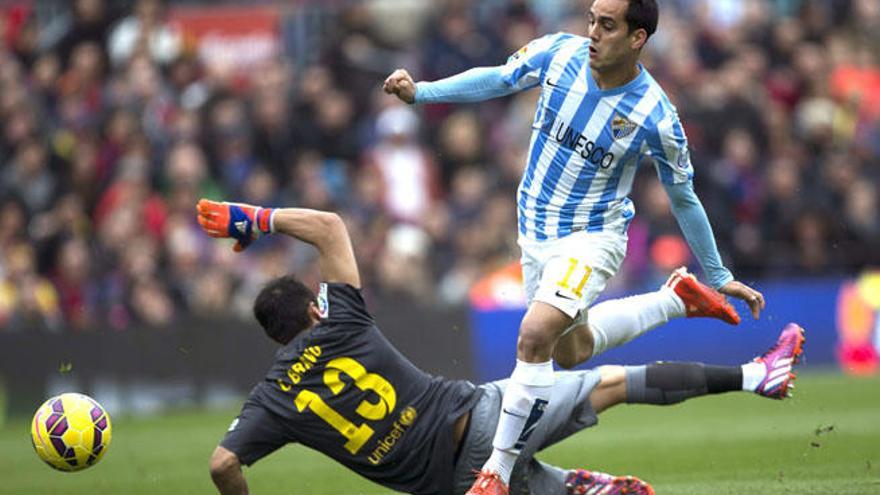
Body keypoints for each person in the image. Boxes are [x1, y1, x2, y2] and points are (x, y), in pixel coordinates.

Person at [383, 1, 767, 492]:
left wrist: (719, 273)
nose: (592, 33)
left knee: (534, 335)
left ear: (637, 38)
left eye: (607, 25)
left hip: (592, 237)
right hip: (535, 234)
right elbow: (500, 78)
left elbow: (683, 197)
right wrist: (422, 93)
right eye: (591, 20)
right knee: (570, 352)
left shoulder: (654, 114)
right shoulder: (558, 55)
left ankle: (495, 472)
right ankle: (676, 298)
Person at [196, 198, 803, 495]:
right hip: (482, 419)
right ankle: (756, 376)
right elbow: (329, 226)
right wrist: (252, 219)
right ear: (312, 310)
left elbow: (222, 466)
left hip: (454, 487)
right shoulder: (341, 323)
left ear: (275, 337)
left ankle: (576, 486)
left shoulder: (272, 398)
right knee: (612, 382)